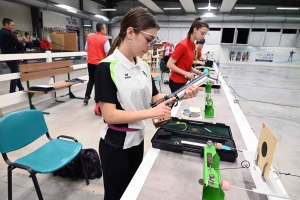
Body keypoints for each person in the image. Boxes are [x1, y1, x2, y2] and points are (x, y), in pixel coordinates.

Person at [94, 7, 199, 200]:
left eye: (153, 41)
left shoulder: (142, 66)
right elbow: (110, 115)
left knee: (132, 192)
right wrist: (151, 113)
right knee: (116, 196)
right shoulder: (106, 67)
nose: (150, 46)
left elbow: (156, 97)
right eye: (149, 39)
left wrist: (182, 95)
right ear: (131, 32)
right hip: (115, 146)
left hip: (138, 140)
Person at [167, 17, 209, 93]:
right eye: (202, 33)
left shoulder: (192, 45)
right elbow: (169, 64)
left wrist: (197, 72)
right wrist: (186, 73)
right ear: (195, 30)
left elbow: (186, 64)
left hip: (184, 80)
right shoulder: (182, 45)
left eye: (205, 34)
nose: (203, 36)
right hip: (176, 82)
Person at [83, 23, 110, 106]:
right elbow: (107, 53)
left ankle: (87, 96)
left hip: (90, 62)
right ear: (102, 30)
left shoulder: (89, 38)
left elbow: (86, 49)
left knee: (91, 80)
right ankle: (97, 99)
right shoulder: (105, 40)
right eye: (105, 28)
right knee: (99, 81)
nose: (106, 30)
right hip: (100, 63)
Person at [0, 18, 24, 93]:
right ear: (6, 24)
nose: (13, 26)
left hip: (6, 55)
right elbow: (16, 43)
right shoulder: (7, 33)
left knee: (15, 72)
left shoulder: (1, 32)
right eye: (12, 25)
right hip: (12, 55)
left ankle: (21, 88)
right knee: (15, 73)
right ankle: (12, 91)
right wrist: (22, 48)